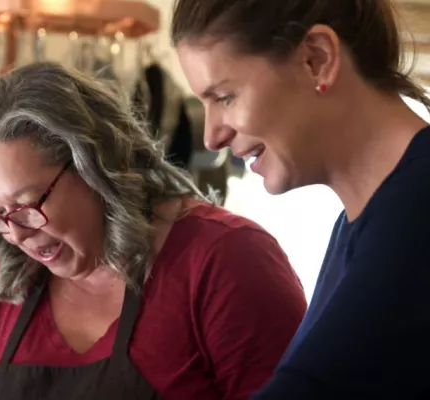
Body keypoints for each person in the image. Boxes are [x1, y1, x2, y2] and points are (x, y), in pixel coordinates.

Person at [0, 61, 307, 400]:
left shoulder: (226, 260)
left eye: (29, 204)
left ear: (94, 166)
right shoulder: (13, 285)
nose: (17, 234)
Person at [171, 0, 430, 399]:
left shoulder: (416, 215)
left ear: (317, 59)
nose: (211, 137)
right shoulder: (358, 224)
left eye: (225, 97)